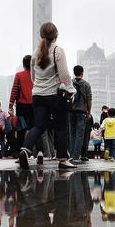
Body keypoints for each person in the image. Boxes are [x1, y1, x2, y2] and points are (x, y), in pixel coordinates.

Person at [18, 23, 76, 170]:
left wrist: (40, 87)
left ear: (41, 35)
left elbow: (32, 77)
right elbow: (64, 75)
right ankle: (63, 159)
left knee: (39, 126)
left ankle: (25, 149)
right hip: (54, 95)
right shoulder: (58, 50)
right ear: (56, 35)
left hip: (37, 95)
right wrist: (71, 91)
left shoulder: (35, 53)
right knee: (61, 127)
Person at [9, 55, 36, 159]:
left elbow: (14, 90)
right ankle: (36, 152)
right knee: (35, 129)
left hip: (21, 106)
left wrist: (11, 105)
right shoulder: (36, 76)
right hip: (34, 105)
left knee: (20, 130)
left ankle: (20, 152)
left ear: (24, 64)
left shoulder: (19, 75)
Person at [70, 64, 92, 163]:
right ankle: (75, 156)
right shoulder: (86, 84)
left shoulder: (70, 83)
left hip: (71, 111)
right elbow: (89, 100)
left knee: (72, 134)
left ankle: (71, 154)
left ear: (74, 72)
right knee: (80, 134)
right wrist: (89, 112)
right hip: (82, 112)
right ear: (82, 73)